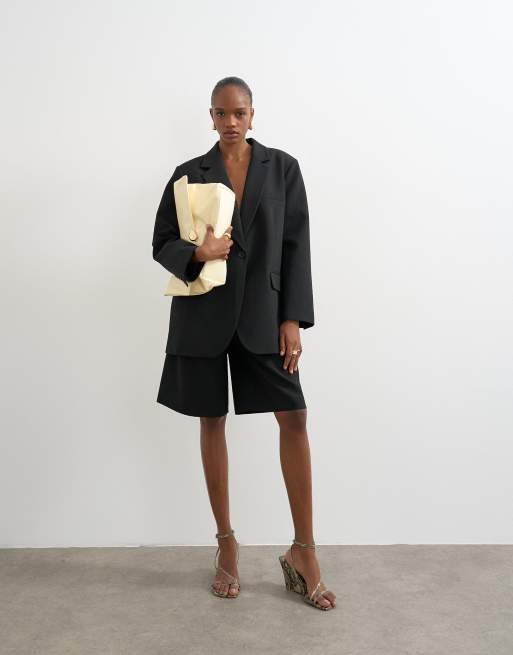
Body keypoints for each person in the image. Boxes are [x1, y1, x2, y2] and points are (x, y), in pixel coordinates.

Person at [152, 77, 336, 610]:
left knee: (294, 417)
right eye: (221, 113)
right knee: (212, 420)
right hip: (204, 317)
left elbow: (296, 245)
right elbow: (161, 242)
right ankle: (227, 544)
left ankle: (304, 551)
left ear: (253, 115)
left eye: (239, 112)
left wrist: (293, 318)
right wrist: (199, 252)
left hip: (264, 317)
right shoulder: (188, 174)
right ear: (210, 117)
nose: (230, 121)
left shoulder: (283, 168)